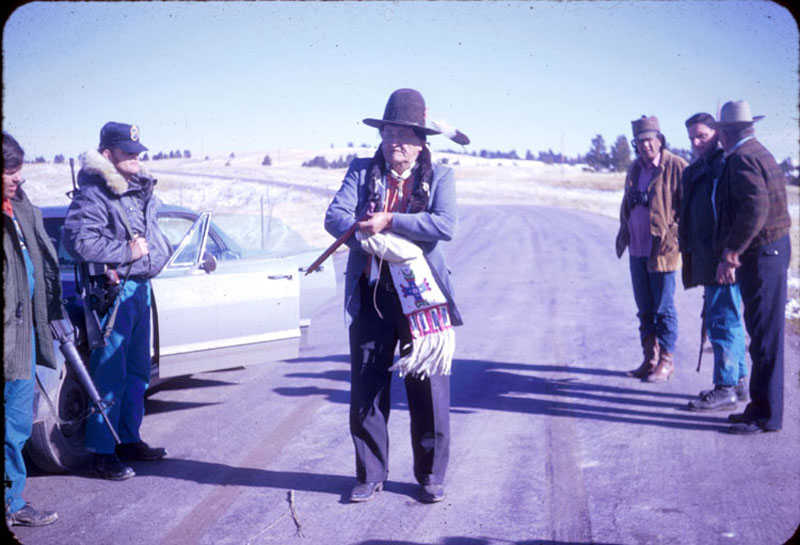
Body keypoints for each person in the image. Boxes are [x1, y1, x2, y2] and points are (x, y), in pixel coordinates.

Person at [324, 89, 462, 503]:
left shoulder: (440, 177)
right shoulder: (362, 170)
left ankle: (431, 476)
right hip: (372, 292)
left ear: (421, 142)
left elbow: (444, 225)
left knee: (428, 385)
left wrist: (390, 222)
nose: (394, 142)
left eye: (403, 135)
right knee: (367, 384)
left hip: (421, 296)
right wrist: (371, 241)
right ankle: (370, 474)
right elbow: (335, 217)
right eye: (388, 133)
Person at [62, 122, 171, 478]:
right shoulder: (95, 193)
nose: (136, 157)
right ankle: (103, 451)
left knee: (138, 371)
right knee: (109, 373)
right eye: (128, 152)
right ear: (107, 154)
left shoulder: (138, 189)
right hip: (114, 292)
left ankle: (127, 439)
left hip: (140, 288)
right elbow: (78, 242)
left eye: (138, 151)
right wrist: (126, 252)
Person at [712, 100, 791, 434]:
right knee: (762, 334)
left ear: (728, 133)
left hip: (763, 255)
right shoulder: (757, 152)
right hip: (770, 251)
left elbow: (755, 209)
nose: (719, 138)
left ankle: (766, 416)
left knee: (764, 337)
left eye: (720, 132)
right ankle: (759, 408)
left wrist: (731, 252)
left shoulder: (742, 158)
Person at [3, 132, 60, 527]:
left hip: (21, 339)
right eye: (9, 170)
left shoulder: (21, 212)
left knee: (16, 426)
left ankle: (11, 501)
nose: (17, 177)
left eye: (19, 170)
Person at [679, 113, 748, 411]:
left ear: (717, 134)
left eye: (702, 136)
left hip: (721, 259)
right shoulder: (702, 167)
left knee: (722, 321)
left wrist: (727, 257)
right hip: (710, 258)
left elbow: (731, 216)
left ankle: (726, 387)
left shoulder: (723, 167)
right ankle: (738, 383)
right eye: (692, 138)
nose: (696, 143)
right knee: (727, 318)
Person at [616, 115, 687, 382]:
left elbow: (688, 208)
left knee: (663, 308)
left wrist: (674, 233)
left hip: (662, 251)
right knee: (644, 308)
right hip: (637, 248)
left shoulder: (676, 166)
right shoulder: (635, 168)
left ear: (660, 140)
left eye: (649, 139)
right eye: (640, 141)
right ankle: (650, 359)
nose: (645, 145)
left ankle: (667, 361)